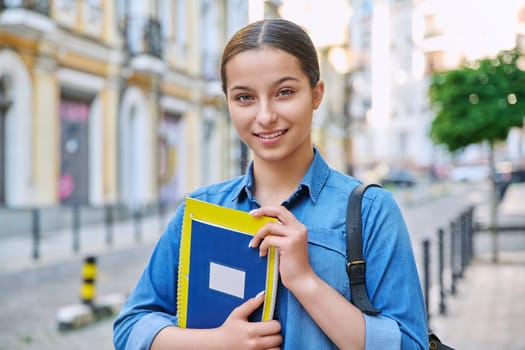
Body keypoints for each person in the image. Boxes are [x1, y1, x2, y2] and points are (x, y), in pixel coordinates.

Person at [113, 18, 428, 349]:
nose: (265, 116)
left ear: (316, 94)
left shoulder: (370, 212)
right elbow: (131, 328)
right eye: (245, 98)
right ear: (228, 103)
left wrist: (306, 282)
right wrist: (219, 342)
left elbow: (410, 344)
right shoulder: (202, 209)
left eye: (284, 92)